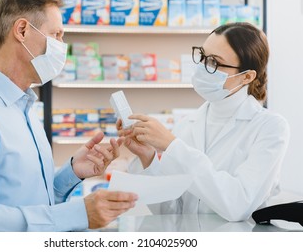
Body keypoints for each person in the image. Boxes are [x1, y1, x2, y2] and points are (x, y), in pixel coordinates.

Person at [0, 0, 137, 232]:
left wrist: (72, 172)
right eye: (56, 35)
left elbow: (33, 204)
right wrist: (79, 214)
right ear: (23, 30)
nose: (62, 46)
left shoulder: (23, 107)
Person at [117, 22, 290, 222]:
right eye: (202, 57)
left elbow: (237, 205)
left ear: (247, 77)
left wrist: (173, 146)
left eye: (214, 62)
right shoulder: (187, 124)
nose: (203, 68)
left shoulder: (270, 128)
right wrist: (148, 157)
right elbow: (171, 210)